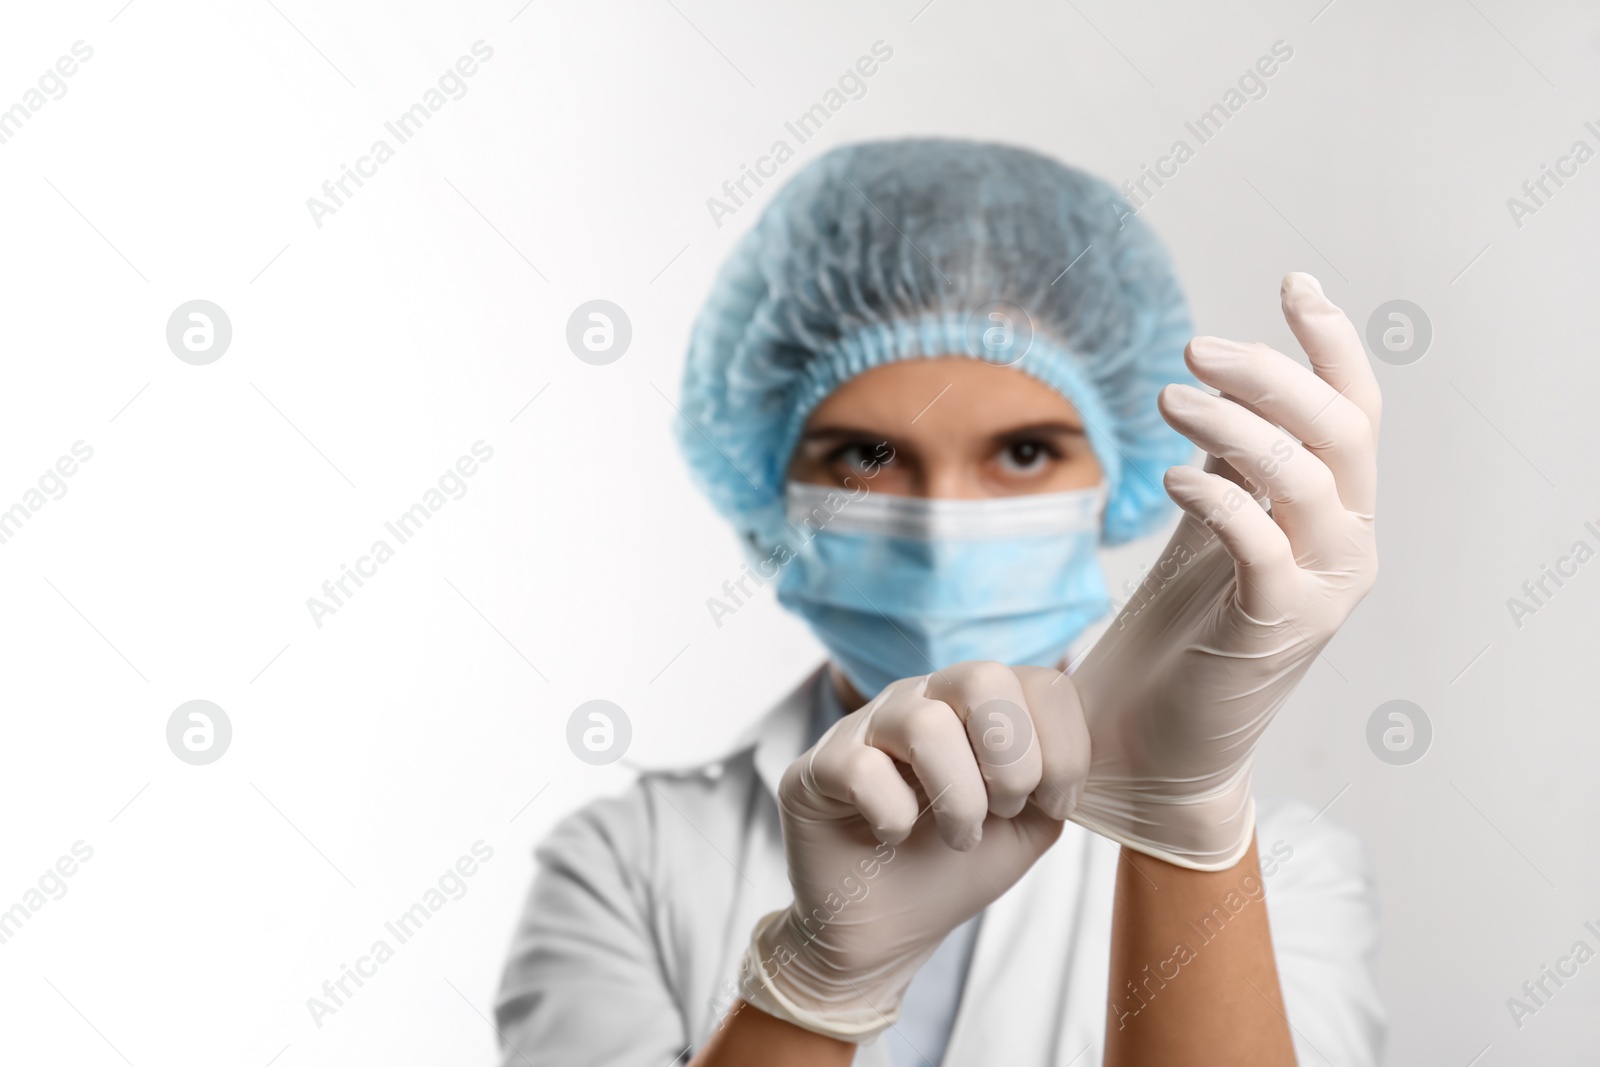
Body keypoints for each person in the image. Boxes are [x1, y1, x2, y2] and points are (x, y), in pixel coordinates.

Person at [494, 139, 1384, 1066]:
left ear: (1114, 476)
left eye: (1026, 452)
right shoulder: (625, 861)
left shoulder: (1283, 870)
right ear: (766, 480)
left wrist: (1180, 820)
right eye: (867, 457)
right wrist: (811, 983)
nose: (944, 529)